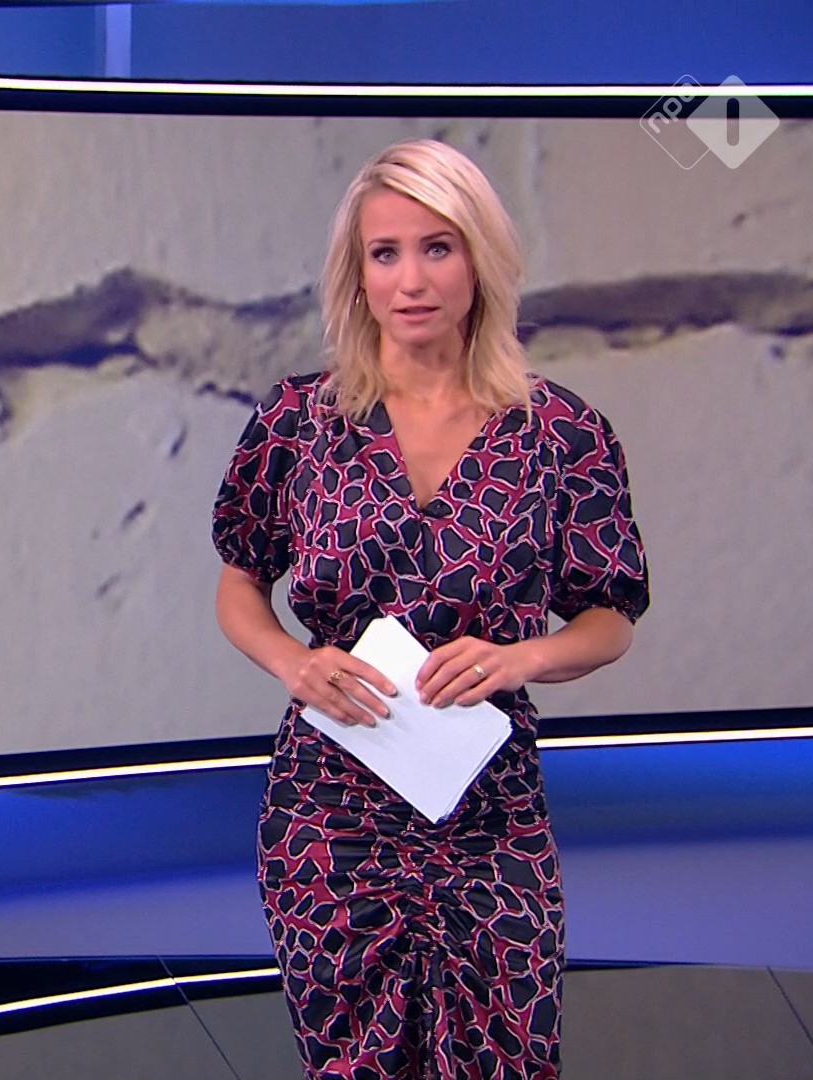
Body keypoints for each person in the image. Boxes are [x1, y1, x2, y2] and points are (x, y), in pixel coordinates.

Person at [210, 139, 649, 1079]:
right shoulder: (298, 422)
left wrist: (523, 658)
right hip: (331, 810)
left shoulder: (561, 433)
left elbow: (610, 615)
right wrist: (294, 663)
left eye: (437, 247)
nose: (411, 279)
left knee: (506, 1055)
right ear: (358, 275)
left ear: (480, 260)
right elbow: (240, 582)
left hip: (489, 807)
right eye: (386, 253)